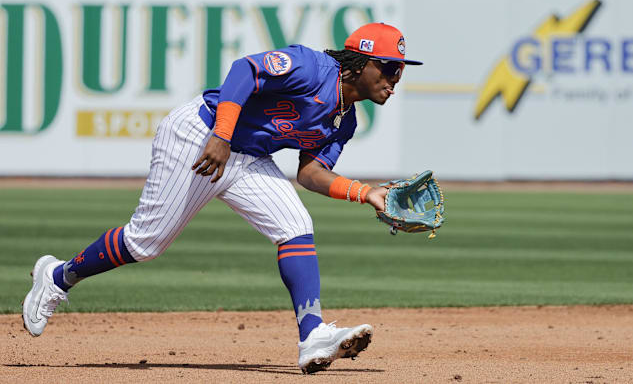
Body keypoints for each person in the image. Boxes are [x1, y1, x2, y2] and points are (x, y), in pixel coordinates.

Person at [22, 22, 422, 374]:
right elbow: (244, 71)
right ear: (359, 62)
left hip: (248, 158)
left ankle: (313, 334)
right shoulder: (311, 67)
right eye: (389, 66)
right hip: (199, 135)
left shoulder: (344, 119)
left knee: (296, 226)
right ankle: (58, 277)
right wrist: (221, 135)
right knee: (145, 243)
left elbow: (311, 174)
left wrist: (366, 192)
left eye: (400, 69)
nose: (396, 76)